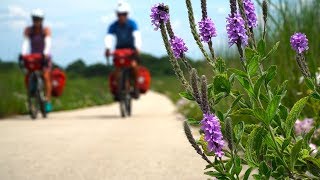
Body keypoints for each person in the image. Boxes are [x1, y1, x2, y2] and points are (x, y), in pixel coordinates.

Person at [104, 1, 142, 99]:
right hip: (119, 50)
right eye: (120, 14)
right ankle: (119, 89)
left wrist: (137, 48)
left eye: (124, 14)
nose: (121, 16)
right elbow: (109, 37)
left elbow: (137, 36)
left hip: (131, 49)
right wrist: (108, 48)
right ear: (117, 14)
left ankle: (135, 86)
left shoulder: (132, 24)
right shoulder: (113, 25)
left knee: (134, 66)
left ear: (127, 14)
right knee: (117, 69)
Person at [21, 9, 53, 112]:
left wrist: (45, 53)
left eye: (38, 19)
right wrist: (23, 54)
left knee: (46, 76)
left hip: (44, 56)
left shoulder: (46, 30)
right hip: (32, 57)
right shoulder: (28, 30)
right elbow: (25, 43)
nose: (36, 21)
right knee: (28, 76)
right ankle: (32, 96)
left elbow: (48, 43)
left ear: (42, 20)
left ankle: (47, 101)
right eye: (34, 19)